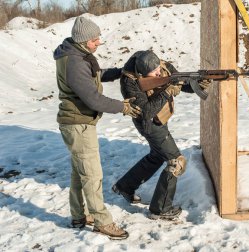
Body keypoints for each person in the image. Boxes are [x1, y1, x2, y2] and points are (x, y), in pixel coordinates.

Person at [53, 16, 141, 240]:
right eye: (94, 39)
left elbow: (95, 76)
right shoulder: (75, 62)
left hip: (76, 122)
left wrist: (118, 72)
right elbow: (93, 99)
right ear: (83, 41)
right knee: (92, 175)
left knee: (79, 173)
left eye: (98, 37)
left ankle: (79, 215)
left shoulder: (76, 55)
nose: (98, 42)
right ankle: (103, 222)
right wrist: (122, 107)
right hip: (78, 123)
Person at [112, 50, 211, 220]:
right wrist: (167, 92)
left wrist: (198, 85)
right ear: (142, 73)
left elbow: (179, 84)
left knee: (157, 155)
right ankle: (161, 208)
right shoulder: (130, 82)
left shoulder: (162, 66)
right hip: (149, 123)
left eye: (159, 68)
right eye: (154, 72)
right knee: (176, 162)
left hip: (161, 118)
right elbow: (146, 112)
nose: (159, 72)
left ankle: (125, 186)